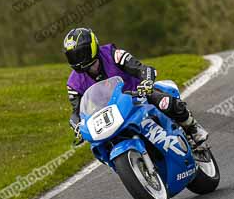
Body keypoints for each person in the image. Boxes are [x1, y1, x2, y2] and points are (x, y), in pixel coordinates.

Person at [62, 27, 208, 145]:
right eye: (73, 56)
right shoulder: (74, 84)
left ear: (92, 47)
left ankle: (192, 127)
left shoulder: (113, 54)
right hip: (112, 114)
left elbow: (142, 69)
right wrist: (77, 126)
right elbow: (77, 112)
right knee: (99, 143)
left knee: (164, 101)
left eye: (80, 53)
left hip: (139, 97)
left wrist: (146, 82)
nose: (78, 60)